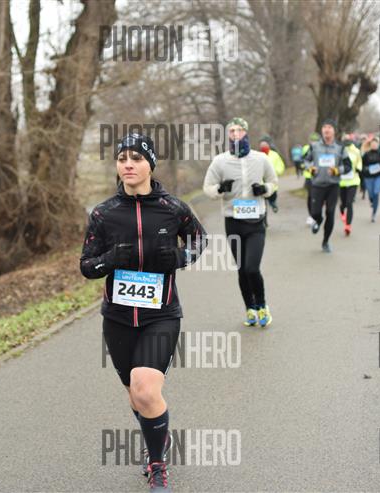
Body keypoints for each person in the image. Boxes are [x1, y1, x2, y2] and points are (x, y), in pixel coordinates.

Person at [80, 133, 206, 493]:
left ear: (150, 164)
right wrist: (110, 260)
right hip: (118, 319)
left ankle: (157, 464)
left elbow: (200, 240)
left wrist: (180, 257)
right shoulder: (104, 213)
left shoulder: (173, 209)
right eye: (122, 158)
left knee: (145, 389)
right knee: (136, 395)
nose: (128, 165)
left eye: (136, 158)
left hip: (161, 315)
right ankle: (157, 435)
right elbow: (87, 266)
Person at [203, 117, 277, 327]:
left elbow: (273, 182)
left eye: (239, 130)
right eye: (231, 131)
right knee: (242, 269)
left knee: (252, 268)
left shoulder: (260, 159)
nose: (235, 134)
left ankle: (262, 306)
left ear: (246, 133)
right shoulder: (220, 161)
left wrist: (265, 190)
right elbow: (207, 187)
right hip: (233, 222)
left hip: (256, 222)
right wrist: (220, 189)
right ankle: (250, 309)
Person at [303, 119, 352, 252]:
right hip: (317, 184)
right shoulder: (314, 146)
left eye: (329, 127)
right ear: (322, 130)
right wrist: (310, 168)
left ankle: (325, 242)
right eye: (324, 127)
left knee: (330, 213)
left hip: (333, 185)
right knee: (314, 213)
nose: (326, 129)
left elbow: (348, 166)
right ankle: (318, 221)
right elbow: (305, 160)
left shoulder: (340, 148)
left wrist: (337, 170)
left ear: (334, 131)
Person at [339, 133, 362, 236]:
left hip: (353, 180)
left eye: (348, 139)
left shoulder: (356, 151)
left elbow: (359, 162)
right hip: (342, 181)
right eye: (344, 139)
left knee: (349, 203)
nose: (346, 141)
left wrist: (358, 168)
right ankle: (342, 213)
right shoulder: (339, 150)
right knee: (343, 204)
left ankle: (348, 225)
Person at [258, 136, 286, 213]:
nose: (263, 147)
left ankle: (273, 204)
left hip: (272, 181)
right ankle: (264, 215)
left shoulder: (274, 155)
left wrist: (275, 172)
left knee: (272, 197)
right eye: (262, 146)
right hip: (261, 182)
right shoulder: (257, 155)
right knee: (263, 200)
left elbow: (281, 166)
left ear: (268, 146)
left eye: (265, 145)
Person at [361, 136, 380, 222]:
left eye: (376, 144)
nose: (374, 145)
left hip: (378, 176)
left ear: (378, 145)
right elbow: (362, 165)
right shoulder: (366, 154)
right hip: (368, 177)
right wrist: (365, 169)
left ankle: (374, 214)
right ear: (370, 145)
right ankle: (371, 200)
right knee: (371, 193)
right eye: (373, 144)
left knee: (376, 193)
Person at [303, 132, 321, 225]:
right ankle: (310, 215)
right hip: (309, 176)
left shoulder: (322, 148)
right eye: (312, 140)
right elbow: (303, 160)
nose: (313, 142)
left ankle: (317, 214)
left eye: (315, 141)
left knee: (318, 197)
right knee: (310, 196)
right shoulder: (306, 148)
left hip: (319, 177)